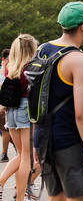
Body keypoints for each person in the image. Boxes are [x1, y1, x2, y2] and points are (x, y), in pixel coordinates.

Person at [36, 1, 83, 200]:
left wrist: (34, 143)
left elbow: (36, 99)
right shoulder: (79, 60)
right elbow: (82, 113)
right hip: (69, 141)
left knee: (55, 196)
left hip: (43, 137)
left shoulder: (42, 49)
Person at [0, 34, 39, 200]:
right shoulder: (31, 67)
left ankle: (1, 183)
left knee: (21, 154)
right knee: (27, 158)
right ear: (31, 48)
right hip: (26, 109)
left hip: (12, 111)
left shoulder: (11, 67)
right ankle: (20, 197)